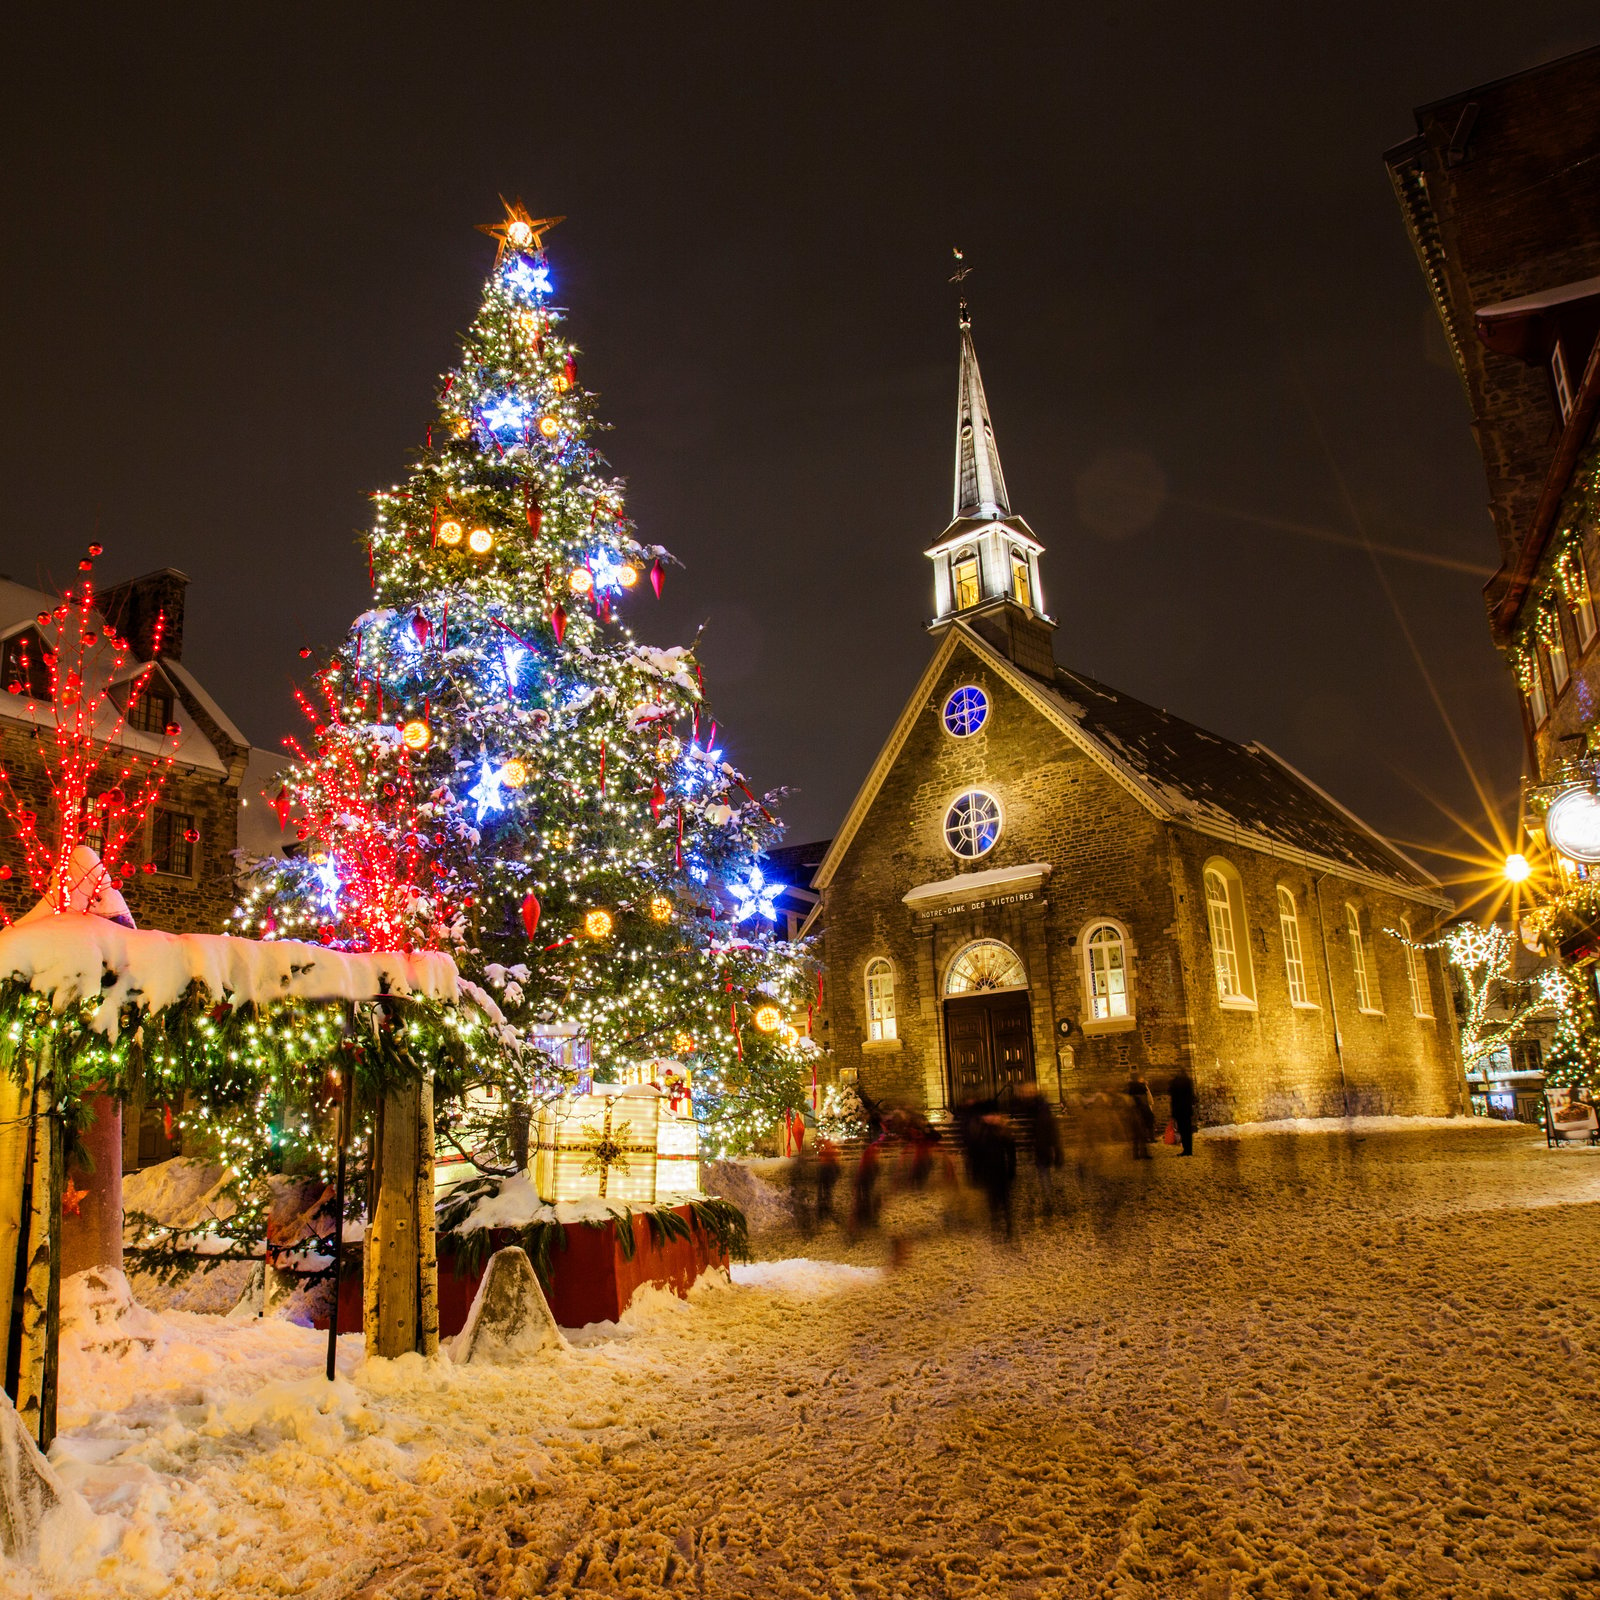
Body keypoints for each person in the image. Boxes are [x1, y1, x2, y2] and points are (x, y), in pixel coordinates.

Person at [1017, 1083, 1064, 1220]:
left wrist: (1057, 1149)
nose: (1027, 1094)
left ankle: (1048, 1202)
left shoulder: (1043, 1109)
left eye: (1030, 1091)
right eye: (1025, 1091)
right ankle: (1033, 1204)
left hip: (1041, 1147)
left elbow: (1052, 1130)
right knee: (1031, 1178)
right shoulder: (1023, 1107)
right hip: (1029, 1147)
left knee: (1043, 1176)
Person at [970, 1114, 1018, 1240]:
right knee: (993, 1200)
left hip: (1000, 1171)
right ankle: (997, 1225)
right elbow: (976, 1152)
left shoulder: (1001, 1132)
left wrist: (1011, 1170)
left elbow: (1011, 1151)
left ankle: (1007, 1226)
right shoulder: (983, 1132)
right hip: (990, 1171)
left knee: (1004, 1200)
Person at [1167, 1065, 1197, 1157]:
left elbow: (1170, 1091)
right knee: (1187, 1130)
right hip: (1186, 1110)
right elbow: (1192, 1095)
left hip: (1179, 1110)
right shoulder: (1188, 1081)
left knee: (1183, 1130)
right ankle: (1189, 1149)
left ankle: (1186, 1150)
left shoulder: (1176, 1083)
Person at [1124, 1069, 1155, 1160]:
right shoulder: (1141, 1087)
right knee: (1142, 1133)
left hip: (1132, 1112)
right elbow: (1145, 1101)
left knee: (1135, 1135)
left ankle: (1136, 1154)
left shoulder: (1128, 1088)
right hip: (1140, 1112)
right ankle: (1143, 1153)